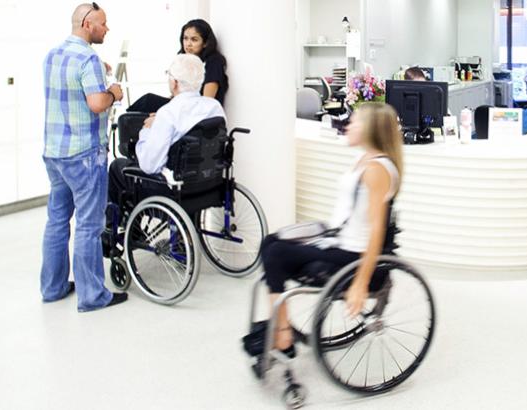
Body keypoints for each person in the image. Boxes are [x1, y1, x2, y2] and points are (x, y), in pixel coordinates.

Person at [258, 103, 404, 356]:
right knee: (270, 242)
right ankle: (282, 327)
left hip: (352, 254)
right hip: (339, 240)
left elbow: (376, 231)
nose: (349, 125)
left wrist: (359, 283)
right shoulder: (365, 159)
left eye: (356, 122)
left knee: (276, 254)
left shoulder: (377, 170)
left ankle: (283, 338)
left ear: (371, 130)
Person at [40, 3, 126, 312]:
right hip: (84, 155)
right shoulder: (87, 57)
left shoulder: (53, 54)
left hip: (54, 153)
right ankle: (92, 296)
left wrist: (95, 70)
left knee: (57, 221)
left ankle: (53, 288)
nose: (107, 29)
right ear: (88, 24)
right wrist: (114, 92)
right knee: (89, 226)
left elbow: (70, 88)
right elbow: (96, 103)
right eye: (103, 24)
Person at [108, 53, 226, 204]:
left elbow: (149, 166)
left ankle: (117, 225)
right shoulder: (214, 107)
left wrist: (147, 129)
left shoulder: (168, 113)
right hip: (209, 184)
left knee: (118, 167)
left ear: (174, 82)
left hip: (173, 190)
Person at [128, 19, 229, 113]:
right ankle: (124, 120)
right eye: (185, 38)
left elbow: (206, 102)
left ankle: (123, 122)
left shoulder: (214, 62)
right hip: (184, 107)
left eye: (194, 40)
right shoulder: (186, 61)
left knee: (148, 101)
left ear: (205, 43)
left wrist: (170, 113)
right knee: (147, 106)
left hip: (196, 113)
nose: (188, 44)